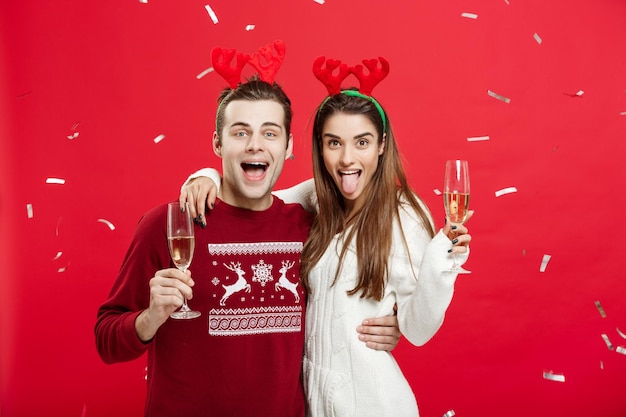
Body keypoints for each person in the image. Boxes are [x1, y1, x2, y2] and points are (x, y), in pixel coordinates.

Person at [95, 42, 399, 417]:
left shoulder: (309, 228)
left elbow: (339, 309)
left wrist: (393, 321)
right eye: (240, 133)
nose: (256, 145)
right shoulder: (169, 224)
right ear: (217, 143)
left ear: (288, 146)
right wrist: (150, 317)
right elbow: (107, 340)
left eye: (270, 133)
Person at [181, 55, 473, 417]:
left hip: (374, 405)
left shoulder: (404, 215)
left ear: (382, 145)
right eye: (334, 143)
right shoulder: (319, 198)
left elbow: (418, 330)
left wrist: (439, 266)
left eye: (361, 142)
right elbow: (252, 198)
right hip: (315, 404)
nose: (347, 159)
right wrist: (206, 175)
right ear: (320, 147)